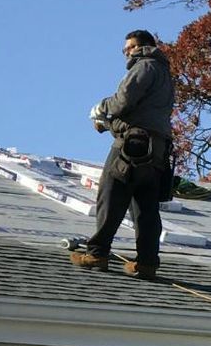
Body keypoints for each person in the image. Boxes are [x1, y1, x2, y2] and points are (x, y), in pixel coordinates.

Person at [70, 30, 175, 278]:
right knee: (145, 206)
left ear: (144, 47)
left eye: (131, 47)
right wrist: (109, 124)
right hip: (156, 151)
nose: (127, 52)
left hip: (132, 147)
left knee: (111, 193)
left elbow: (123, 101)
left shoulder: (145, 67)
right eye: (125, 49)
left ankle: (97, 254)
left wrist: (102, 109)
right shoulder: (165, 75)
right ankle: (147, 262)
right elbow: (145, 113)